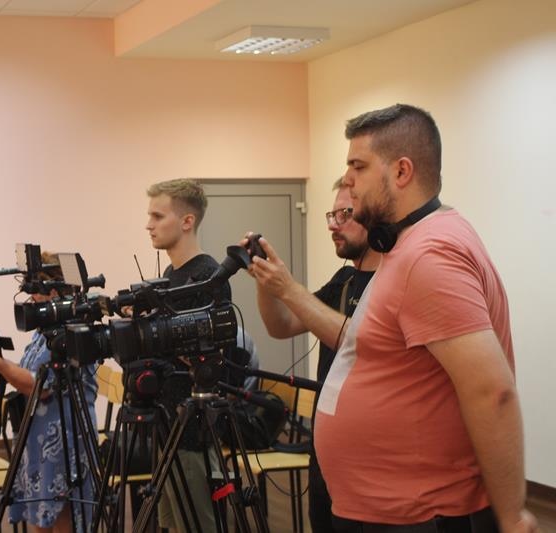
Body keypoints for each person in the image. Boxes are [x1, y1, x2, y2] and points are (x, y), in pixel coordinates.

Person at [250, 104, 537, 532]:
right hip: (383, 508)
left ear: (402, 172)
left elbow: (491, 392)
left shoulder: (430, 255)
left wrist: (512, 516)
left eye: (359, 166)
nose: (348, 179)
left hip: (418, 512)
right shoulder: (407, 249)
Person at [251, 179, 380, 532]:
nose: (333, 225)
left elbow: (362, 342)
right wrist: (266, 283)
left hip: (369, 457)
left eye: (345, 214)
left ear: (375, 214)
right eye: (331, 215)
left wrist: (288, 287)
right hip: (326, 451)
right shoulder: (344, 280)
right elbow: (281, 325)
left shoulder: (391, 281)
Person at [0, 253, 98, 533]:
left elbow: (40, 387)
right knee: (41, 517)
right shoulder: (45, 331)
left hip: (64, 440)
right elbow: (31, 374)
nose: (30, 300)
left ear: (53, 291)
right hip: (38, 440)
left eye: (35, 291)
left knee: (63, 517)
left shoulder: (71, 331)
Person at [145, 178, 232, 533]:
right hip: (167, 422)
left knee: (196, 524)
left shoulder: (208, 277)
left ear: (187, 221)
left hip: (192, 429)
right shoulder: (171, 274)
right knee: (171, 523)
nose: (148, 225)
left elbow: (209, 358)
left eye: (157, 216)